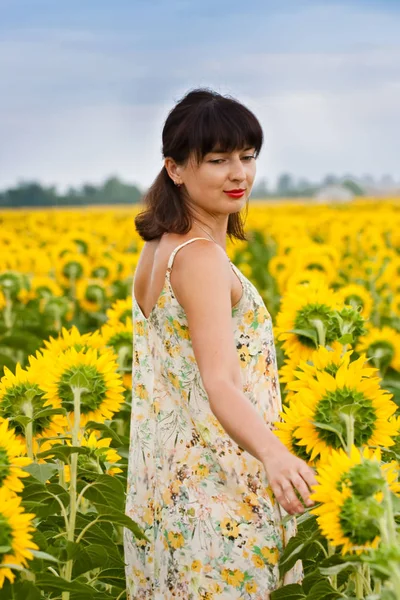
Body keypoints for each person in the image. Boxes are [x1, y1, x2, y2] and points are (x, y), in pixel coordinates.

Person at [124, 87, 317, 600]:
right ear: (175, 168)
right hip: (222, 495)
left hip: (169, 497)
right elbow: (222, 382)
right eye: (217, 160)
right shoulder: (200, 258)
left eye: (247, 156)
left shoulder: (158, 249)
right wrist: (275, 456)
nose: (239, 174)